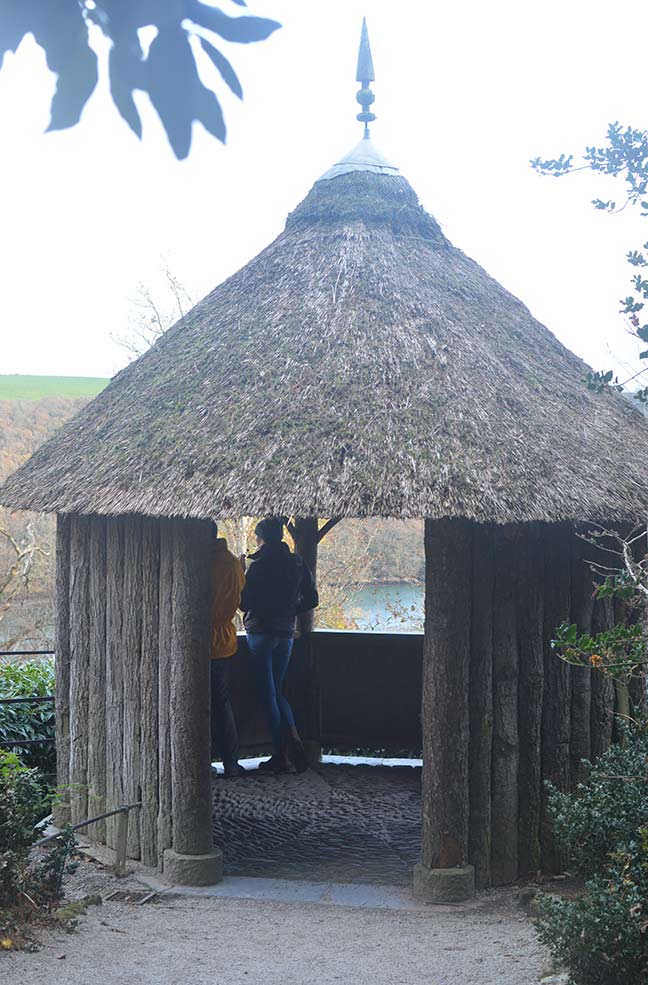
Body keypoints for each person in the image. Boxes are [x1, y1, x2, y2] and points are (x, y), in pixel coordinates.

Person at [240, 516, 319, 774]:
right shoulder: (297, 562)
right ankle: (294, 739)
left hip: (260, 632)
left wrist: (241, 576)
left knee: (268, 693)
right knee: (278, 691)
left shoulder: (258, 566)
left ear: (262, 538)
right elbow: (312, 598)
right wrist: (290, 610)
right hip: (286, 633)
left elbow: (244, 603)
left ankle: (281, 754)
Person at [209, 522, 246, 778]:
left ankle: (200, 760)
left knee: (196, 706)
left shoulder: (202, 564)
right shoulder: (233, 563)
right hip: (225, 642)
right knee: (222, 704)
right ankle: (231, 761)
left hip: (202, 642)